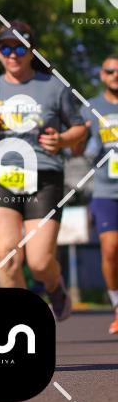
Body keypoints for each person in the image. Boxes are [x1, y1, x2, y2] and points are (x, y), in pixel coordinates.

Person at [0, 21, 86, 321]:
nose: (13, 54)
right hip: (0, 176)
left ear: (32, 51)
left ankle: (54, 286)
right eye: (5, 48)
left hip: (43, 176)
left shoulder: (54, 86)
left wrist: (62, 140)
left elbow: (79, 129)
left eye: (20, 48)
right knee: (7, 257)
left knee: (39, 262)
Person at [80, 55, 118, 334]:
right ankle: (117, 305)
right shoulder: (90, 108)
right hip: (106, 190)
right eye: (110, 70)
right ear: (102, 75)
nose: (116, 74)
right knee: (111, 248)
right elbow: (77, 145)